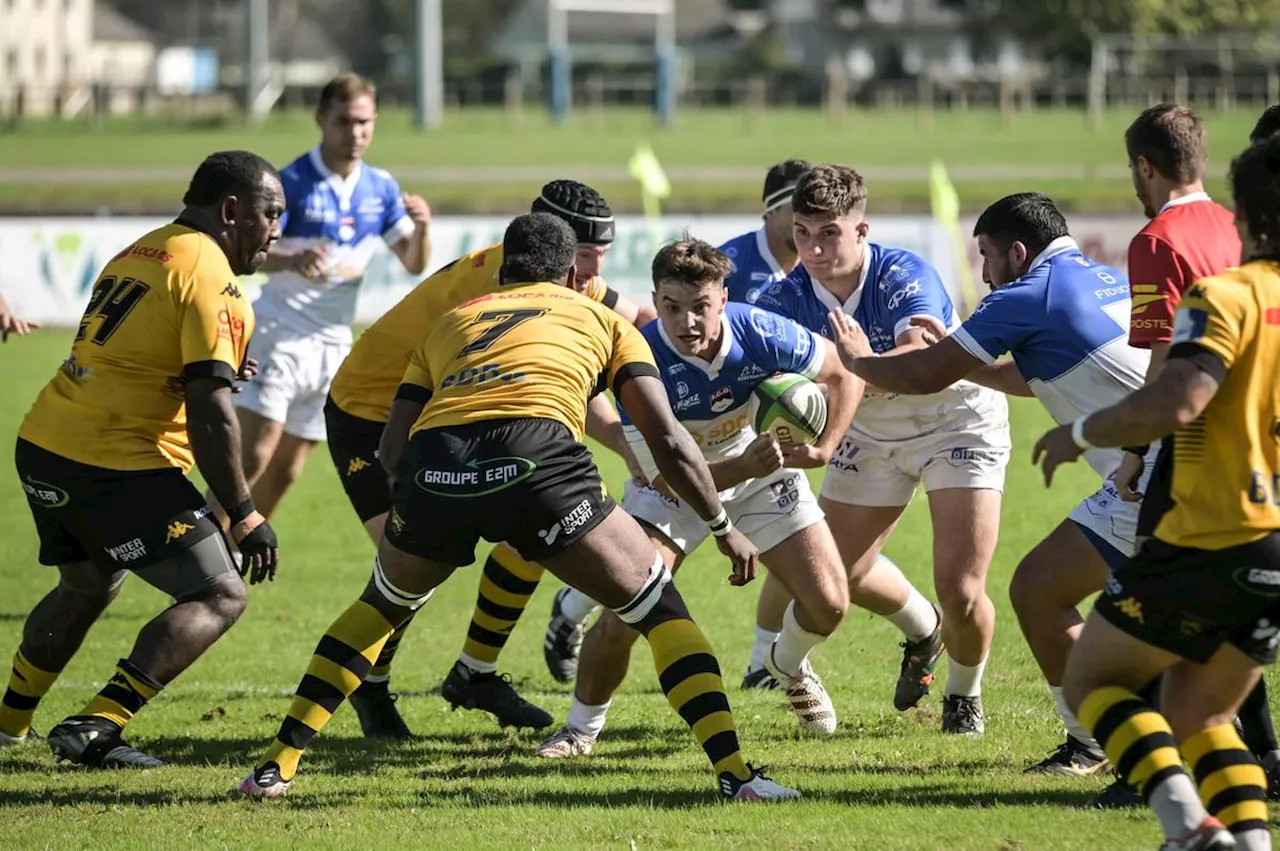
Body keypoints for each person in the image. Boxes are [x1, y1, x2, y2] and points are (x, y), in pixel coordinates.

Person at [237, 213, 797, 802]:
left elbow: (391, 447)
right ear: (570, 274)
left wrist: (426, 511)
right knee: (658, 610)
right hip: (540, 465)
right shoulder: (603, 320)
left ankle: (275, 767)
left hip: (436, 465)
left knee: (383, 604)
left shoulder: (449, 323)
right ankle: (737, 776)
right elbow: (669, 441)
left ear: (503, 269)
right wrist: (721, 524)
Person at [822, 191, 1156, 776]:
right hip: (1184, 461)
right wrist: (961, 357)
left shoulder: (1028, 293)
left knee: (1039, 591)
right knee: (1184, 617)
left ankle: (1103, 742)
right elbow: (1037, 374)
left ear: (1018, 253)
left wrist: (859, 359)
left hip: (1152, 476)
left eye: (987, 257)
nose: (983, 273)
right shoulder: (1099, 278)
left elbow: (924, 375)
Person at [324, 180, 656, 737]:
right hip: (374, 416)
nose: (593, 273)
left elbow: (643, 318)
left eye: (601, 257)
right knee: (405, 572)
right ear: (551, 244)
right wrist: (629, 442)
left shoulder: (558, 275)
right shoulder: (499, 284)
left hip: (457, 417)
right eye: (585, 257)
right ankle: (371, 691)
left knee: (534, 530)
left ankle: (474, 672)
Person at [1033, 134, 1280, 851]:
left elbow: (1177, 398)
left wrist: (1080, 432)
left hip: (1211, 532)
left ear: (1246, 220)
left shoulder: (1228, 295)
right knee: (1203, 714)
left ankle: (1189, 827)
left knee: (1095, 678)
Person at [0, 151, 284, 768]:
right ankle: (97, 725)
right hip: (114, 462)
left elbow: (132, 351)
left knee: (85, 586)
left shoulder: (143, 248)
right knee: (220, 592)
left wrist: (209, 368)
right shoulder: (215, 278)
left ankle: (8, 724)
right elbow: (212, 414)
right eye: (271, 213)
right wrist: (244, 512)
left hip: (45, 443)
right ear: (231, 211)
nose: (276, 230)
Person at [534, 238, 861, 757]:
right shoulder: (637, 355)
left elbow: (842, 372)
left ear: (723, 299)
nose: (687, 321)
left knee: (830, 604)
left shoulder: (759, 330)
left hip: (760, 473)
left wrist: (823, 449)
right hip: (674, 486)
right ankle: (579, 730)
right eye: (672, 307)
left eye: (701, 307)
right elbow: (664, 474)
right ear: (655, 300)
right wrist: (739, 468)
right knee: (625, 614)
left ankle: (785, 665)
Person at [750, 164, 1011, 736]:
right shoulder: (782, 299)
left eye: (830, 234)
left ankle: (963, 698)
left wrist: (853, 366)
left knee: (962, 587)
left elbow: (919, 363)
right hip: (867, 428)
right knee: (832, 578)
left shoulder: (904, 273)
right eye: (802, 233)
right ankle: (811, 656)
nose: (814, 249)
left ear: (861, 231)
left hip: (954, 418)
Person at [1103, 103, 1280, 807]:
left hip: (1193, 445)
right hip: (1258, 441)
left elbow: (1161, 363)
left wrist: (1133, 449)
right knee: (1240, 602)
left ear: (1146, 166)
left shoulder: (1157, 239)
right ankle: (1261, 750)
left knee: (1150, 605)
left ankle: (1147, 769)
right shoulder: (1233, 225)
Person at [212, 73, 432, 527]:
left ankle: (235, 554)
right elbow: (242, 256)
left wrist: (423, 227)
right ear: (321, 120)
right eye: (344, 122)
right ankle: (200, 556)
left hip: (333, 344)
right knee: (253, 456)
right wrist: (290, 258)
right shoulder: (287, 183)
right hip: (279, 333)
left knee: (288, 469)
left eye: (364, 123)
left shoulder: (381, 188)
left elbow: (413, 262)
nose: (355, 134)